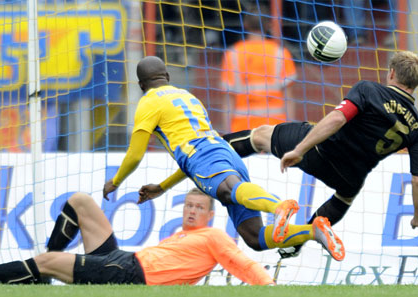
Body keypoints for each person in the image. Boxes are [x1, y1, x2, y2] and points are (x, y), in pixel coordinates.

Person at [101, 56, 344, 260]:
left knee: (228, 189)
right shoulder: (188, 97)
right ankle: (314, 231)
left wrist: (116, 181)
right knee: (253, 237)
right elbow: (191, 164)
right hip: (222, 151)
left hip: (204, 155)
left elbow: (135, 155)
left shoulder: (148, 103)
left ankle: (278, 206)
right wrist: (163, 187)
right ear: (167, 76)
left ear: (141, 84)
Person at [223, 50, 418, 257]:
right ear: (417, 84)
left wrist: (299, 149)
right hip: (349, 175)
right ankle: (299, 240)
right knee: (344, 197)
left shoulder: (369, 90)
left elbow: (337, 118)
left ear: (391, 73)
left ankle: (206, 151)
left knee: (260, 136)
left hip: (320, 151)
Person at [0, 189, 276, 285]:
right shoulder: (185, 237)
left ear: (209, 213)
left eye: (197, 207)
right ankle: (41, 280)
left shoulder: (214, 237)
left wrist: (270, 288)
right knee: (81, 202)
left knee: (46, 262)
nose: (190, 211)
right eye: (187, 205)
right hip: (126, 262)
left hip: (131, 274)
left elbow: (243, 264)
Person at [220, 5, 296, 132]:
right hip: (274, 130)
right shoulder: (281, 53)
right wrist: (290, 133)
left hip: (242, 131)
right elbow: (289, 99)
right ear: (268, 25)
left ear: (245, 24)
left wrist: (227, 137)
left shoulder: (232, 54)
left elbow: (228, 102)